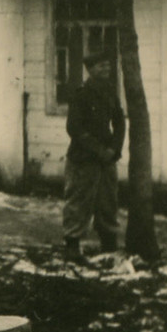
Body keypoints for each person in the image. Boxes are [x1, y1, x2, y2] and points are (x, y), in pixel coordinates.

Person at [63, 52, 126, 263]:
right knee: (78, 202)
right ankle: (72, 247)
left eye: (108, 66)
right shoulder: (81, 94)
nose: (106, 69)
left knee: (108, 202)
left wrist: (114, 149)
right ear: (90, 69)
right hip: (83, 158)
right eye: (101, 66)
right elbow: (74, 128)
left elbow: (119, 122)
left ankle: (108, 245)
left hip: (107, 160)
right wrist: (99, 151)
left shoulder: (110, 91)